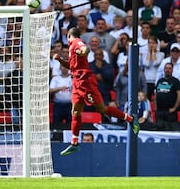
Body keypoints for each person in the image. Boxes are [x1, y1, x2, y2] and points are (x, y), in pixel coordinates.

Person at [53, 27, 138, 156]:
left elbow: (84, 49)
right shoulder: (71, 49)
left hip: (85, 82)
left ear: (69, 36)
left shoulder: (76, 42)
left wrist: (83, 51)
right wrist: (59, 60)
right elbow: (72, 66)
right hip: (77, 82)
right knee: (75, 111)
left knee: (102, 109)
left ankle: (130, 119)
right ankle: (74, 143)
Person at [154, 62, 180, 131]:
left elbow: (179, 96)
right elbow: (156, 95)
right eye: (166, 68)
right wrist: (156, 108)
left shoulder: (176, 81)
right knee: (159, 129)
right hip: (159, 111)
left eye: (169, 68)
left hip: (170, 112)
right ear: (164, 70)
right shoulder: (160, 81)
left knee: (170, 130)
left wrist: (174, 108)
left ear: (172, 70)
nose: (167, 70)